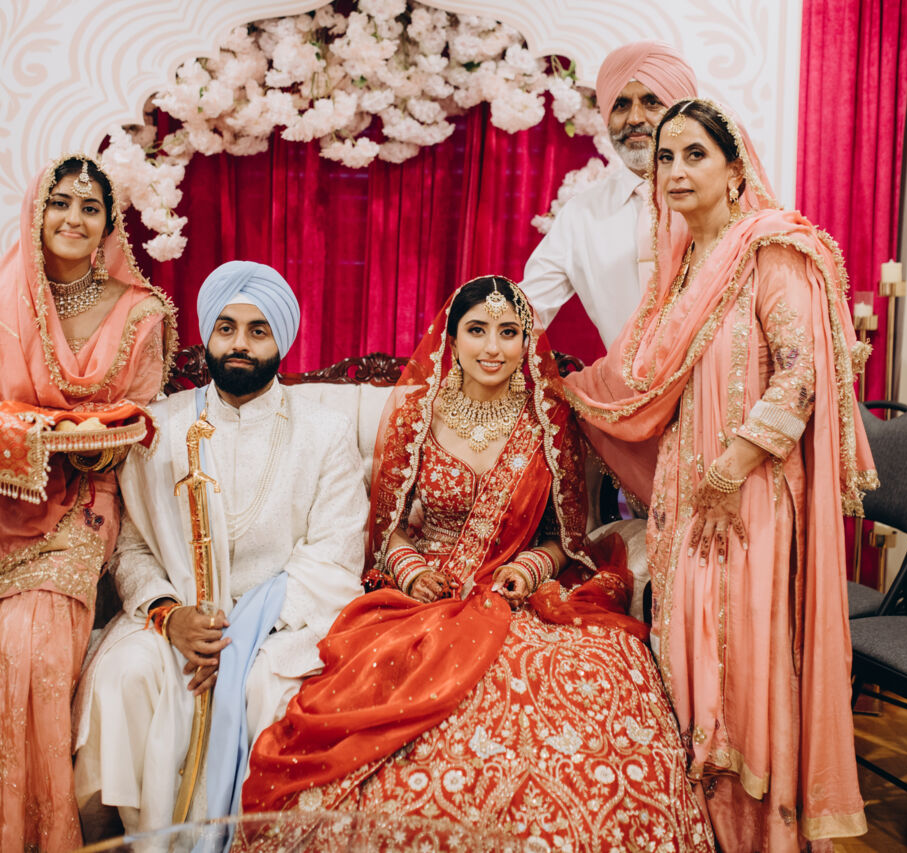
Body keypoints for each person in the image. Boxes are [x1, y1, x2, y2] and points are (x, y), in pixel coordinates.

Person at [242, 277, 714, 853]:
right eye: (478, 331)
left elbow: (565, 535)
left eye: (509, 332)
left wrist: (531, 569)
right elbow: (386, 528)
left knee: (594, 673)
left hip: (523, 597)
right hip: (422, 597)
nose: (493, 347)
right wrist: (413, 571)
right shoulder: (418, 412)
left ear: (526, 342)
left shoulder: (549, 420)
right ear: (452, 339)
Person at [565, 99, 878, 851]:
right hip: (686, 489)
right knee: (685, 653)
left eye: (695, 154)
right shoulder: (681, 271)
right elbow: (645, 379)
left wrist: (731, 467)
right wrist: (564, 391)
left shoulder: (771, 250)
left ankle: (754, 836)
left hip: (750, 492)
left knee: (738, 661)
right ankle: (692, 830)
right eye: (665, 157)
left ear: (734, 169)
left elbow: (801, 377)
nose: (675, 171)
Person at [0, 155, 176, 851]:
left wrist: (86, 446)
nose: (74, 218)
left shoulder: (139, 312)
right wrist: (31, 434)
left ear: (109, 224)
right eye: (61, 203)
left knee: (28, 649)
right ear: (37, 213)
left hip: (83, 503)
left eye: (90, 207)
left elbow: (138, 419)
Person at [72, 261, 367, 835]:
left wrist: (241, 632)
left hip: (283, 625)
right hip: (175, 620)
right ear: (207, 334)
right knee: (126, 674)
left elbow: (335, 554)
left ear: (282, 340)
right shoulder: (156, 429)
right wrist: (171, 616)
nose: (239, 344)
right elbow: (131, 550)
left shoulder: (324, 431)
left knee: (267, 689)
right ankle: (143, 843)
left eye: (258, 331)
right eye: (226, 328)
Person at [519, 40, 699, 347]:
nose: (634, 118)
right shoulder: (582, 214)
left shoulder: (720, 198)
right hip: (623, 378)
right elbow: (527, 308)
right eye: (620, 105)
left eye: (652, 102)